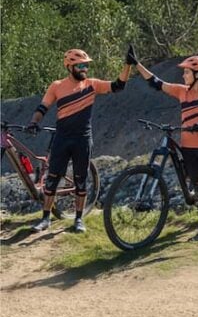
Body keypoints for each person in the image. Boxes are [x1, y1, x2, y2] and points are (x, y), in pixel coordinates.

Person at [128, 48, 198, 255]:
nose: (183, 75)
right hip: (189, 148)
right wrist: (136, 64)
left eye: (186, 72)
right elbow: (155, 82)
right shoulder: (181, 91)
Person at [28, 49, 132, 233]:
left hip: (83, 138)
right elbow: (43, 106)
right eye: (80, 65)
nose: (84, 69)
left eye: (86, 65)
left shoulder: (91, 84)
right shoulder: (57, 86)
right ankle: (45, 219)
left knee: (80, 180)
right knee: (52, 180)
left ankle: (78, 219)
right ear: (69, 67)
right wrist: (34, 122)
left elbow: (118, 86)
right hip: (62, 138)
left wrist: (127, 65)